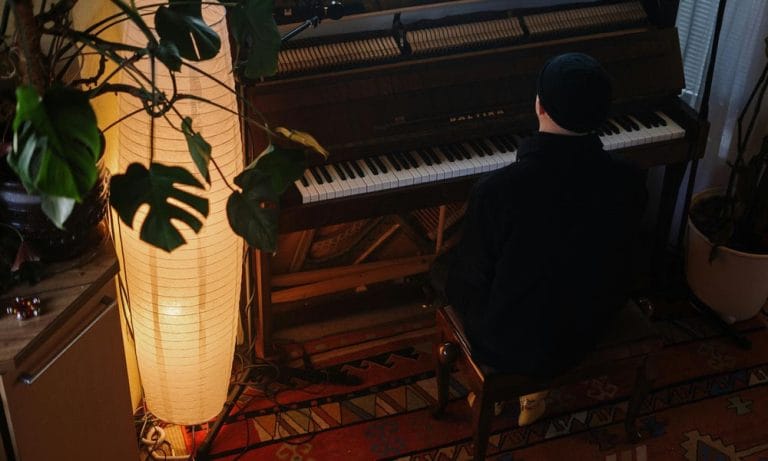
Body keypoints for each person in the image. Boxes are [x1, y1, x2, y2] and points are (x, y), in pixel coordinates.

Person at [435, 52, 647, 425]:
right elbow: (625, 259)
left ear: (539, 106)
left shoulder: (497, 190)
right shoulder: (630, 179)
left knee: (443, 269)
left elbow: (471, 277)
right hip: (586, 327)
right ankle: (532, 392)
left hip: (509, 342)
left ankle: (496, 384)